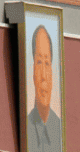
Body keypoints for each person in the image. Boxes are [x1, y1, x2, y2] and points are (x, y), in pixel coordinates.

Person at [27, 24, 62, 152]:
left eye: (47, 63)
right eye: (39, 62)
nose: (43, 76)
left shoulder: (59, 128)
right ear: (32, 71)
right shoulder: (26, 127)